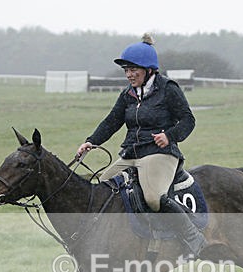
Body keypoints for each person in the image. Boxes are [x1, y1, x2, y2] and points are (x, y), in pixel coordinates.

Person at [77, 34, 205, 257]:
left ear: (149, 70)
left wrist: (170, 136)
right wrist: (91, 141)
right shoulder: (127, 94)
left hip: (161, 153)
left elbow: (188, 120)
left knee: (153, 198)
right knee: (103, 187)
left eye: (133, 69)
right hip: (131, 153)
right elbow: (111, 122)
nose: (129, 74)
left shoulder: (168, 89)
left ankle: (192, 235)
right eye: (126, 70)